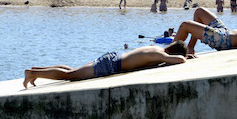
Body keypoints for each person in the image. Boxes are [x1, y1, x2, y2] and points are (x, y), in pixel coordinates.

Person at [23, 42, 188, 88]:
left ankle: (36, 71)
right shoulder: (160, 54)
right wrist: (185, 57)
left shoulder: (156, 48)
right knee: (70, 76)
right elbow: (180, 60)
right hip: (111, 65)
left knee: (72, 70)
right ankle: (31, 74)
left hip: (113, 58)